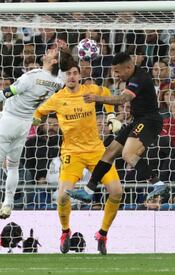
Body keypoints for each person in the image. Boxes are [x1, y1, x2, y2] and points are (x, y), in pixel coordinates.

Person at [0, 48, 75, 219]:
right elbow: (62, 67)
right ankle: (8, 204)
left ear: (53, 62)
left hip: (9, 120)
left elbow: (5, 93)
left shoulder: (31, 77)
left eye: (51, 53)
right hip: (25, 124)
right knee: (13, 166)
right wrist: (63, 53)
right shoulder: (58, 81)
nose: (46, 52)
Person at [33, 65, 122, 255]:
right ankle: (65, 232)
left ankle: (102, 234)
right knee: (63, 195)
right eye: (68, 74)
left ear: (80, 76)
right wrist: (35, 121)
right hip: (72, 153)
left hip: (96, 151)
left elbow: (106, 92)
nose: (72, 77)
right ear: (63, 77)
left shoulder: (90, 90)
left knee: (116, 192)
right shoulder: (57, 99)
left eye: (75, 73)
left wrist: (112, 115)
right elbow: (39, 112)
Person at [67, 52, 168, 203]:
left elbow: (123, 99)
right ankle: (88, 191)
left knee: (128, 154)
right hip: (138, 120)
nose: (116, 75)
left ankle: (158, 184)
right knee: (109, 153)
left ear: (128, 67)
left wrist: (96, 98)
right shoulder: (133, 76)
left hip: (149, 121)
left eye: (118, 71)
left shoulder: (139, 78)